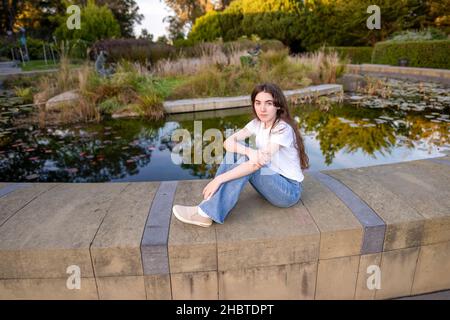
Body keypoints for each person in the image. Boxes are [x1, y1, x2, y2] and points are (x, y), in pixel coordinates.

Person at [172, 82, 309, 227]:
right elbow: (228, 142)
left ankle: (206, 213)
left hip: (288, 191)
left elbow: (256, 164)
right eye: (258, 103)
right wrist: (249, 151)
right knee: (240, 153)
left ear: (278, 105)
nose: (262, 109)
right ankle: (207, 205)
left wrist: (219, 179)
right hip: (272, 179)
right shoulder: (257, 123)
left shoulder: (282, 129)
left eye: (268, 103)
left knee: (252, 164)